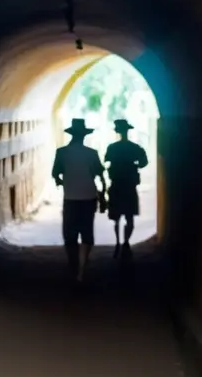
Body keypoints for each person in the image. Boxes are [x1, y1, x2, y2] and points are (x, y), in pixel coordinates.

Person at [51, 118, 106, 282]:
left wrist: (62, 181)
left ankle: (73, 264)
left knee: (70, 235)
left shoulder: (61, 153)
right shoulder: (92, 153)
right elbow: (100, 175)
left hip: (70, 198)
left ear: (71, 135)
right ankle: (81, 271)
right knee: (87, 234)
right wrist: (103, 194)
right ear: (84, 136)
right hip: (89, 197)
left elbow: (55, 174)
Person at [104, 119, 149, 259]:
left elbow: (106, 162)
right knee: (129, 218)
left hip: (117, 185)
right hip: (129, 186)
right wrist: (133, 165)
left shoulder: (112, 148)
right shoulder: (135, 148)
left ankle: (118, 242)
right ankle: (126, 242)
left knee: (116, 217)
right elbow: (144, 162)